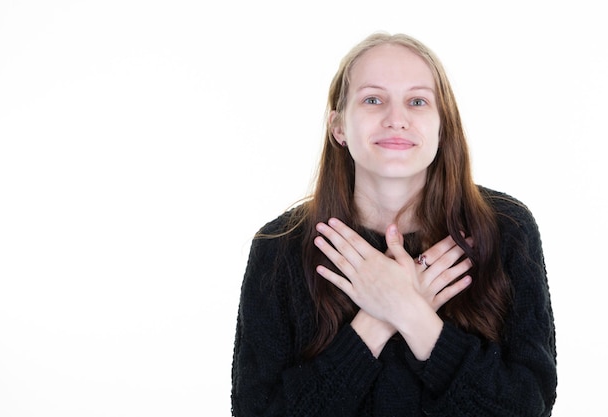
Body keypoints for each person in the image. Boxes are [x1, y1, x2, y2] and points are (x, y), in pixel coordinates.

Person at [231, 32, 557, 416]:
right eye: (373, 99)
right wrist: (376, 322)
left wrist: (410, 314)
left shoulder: (505, 230)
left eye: (417, 101)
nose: (396, 119)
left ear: (442, 125)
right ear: (338, 126)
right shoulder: (278, 248)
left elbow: (527, 407)